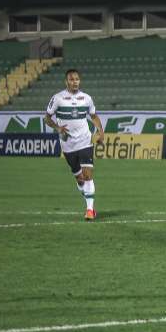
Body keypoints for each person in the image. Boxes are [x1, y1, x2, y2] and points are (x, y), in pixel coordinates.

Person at [44, 69, 105, 221]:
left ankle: (90, 210)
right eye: (72, 79)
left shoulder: (86, 98)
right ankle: (88, 202)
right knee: (79, 179)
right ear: (67, 82)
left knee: (88, 174)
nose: (75, 82)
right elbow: (47, 118)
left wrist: (100, 132)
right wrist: (58, 128)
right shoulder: (58, 98)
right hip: (68, 144)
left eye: (77, 79)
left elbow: (93, 116)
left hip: (85, 140)